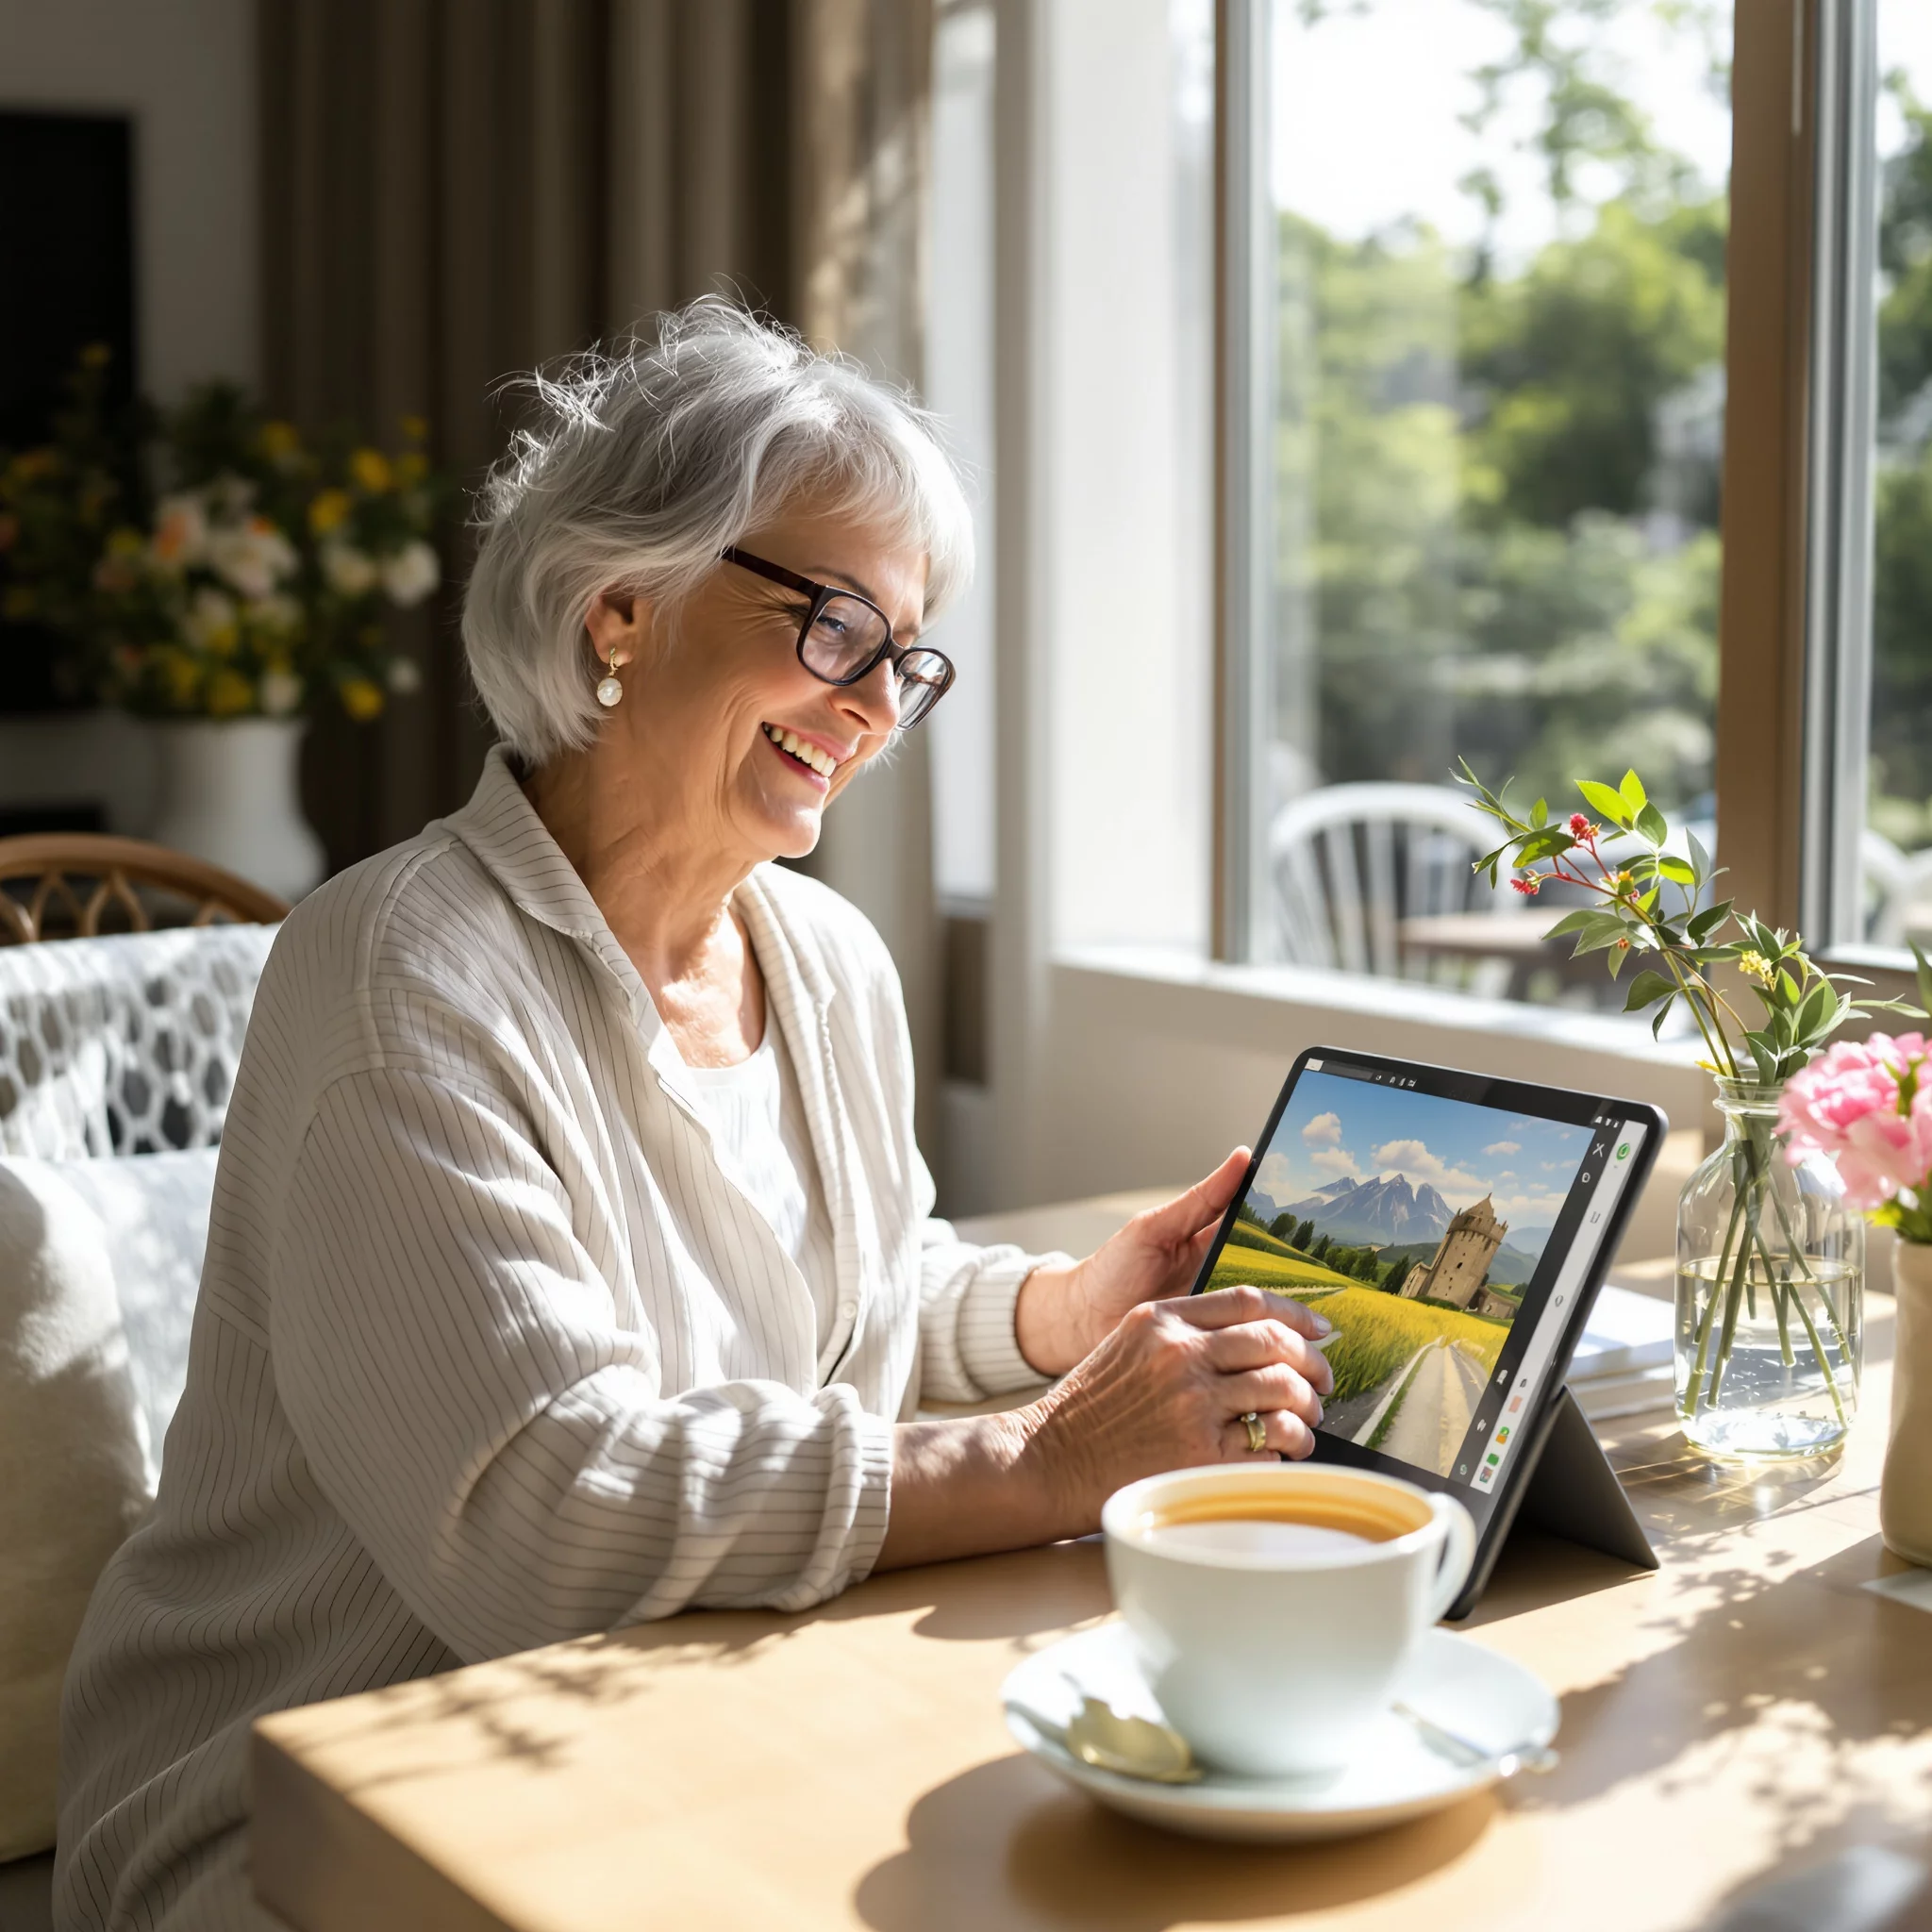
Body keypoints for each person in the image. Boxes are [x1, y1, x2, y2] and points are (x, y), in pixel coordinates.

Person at [55, 301, 1331, 1930]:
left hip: (669, 1712)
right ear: (622, 607)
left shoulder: (827, 959)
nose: (875, 706)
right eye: (835, 628)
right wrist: (1040, 1454)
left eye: (908, 659)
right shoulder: (397, 972)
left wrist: (1069, 1313)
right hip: (305, 1796)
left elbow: (844, 1313)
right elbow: (540, 1515)